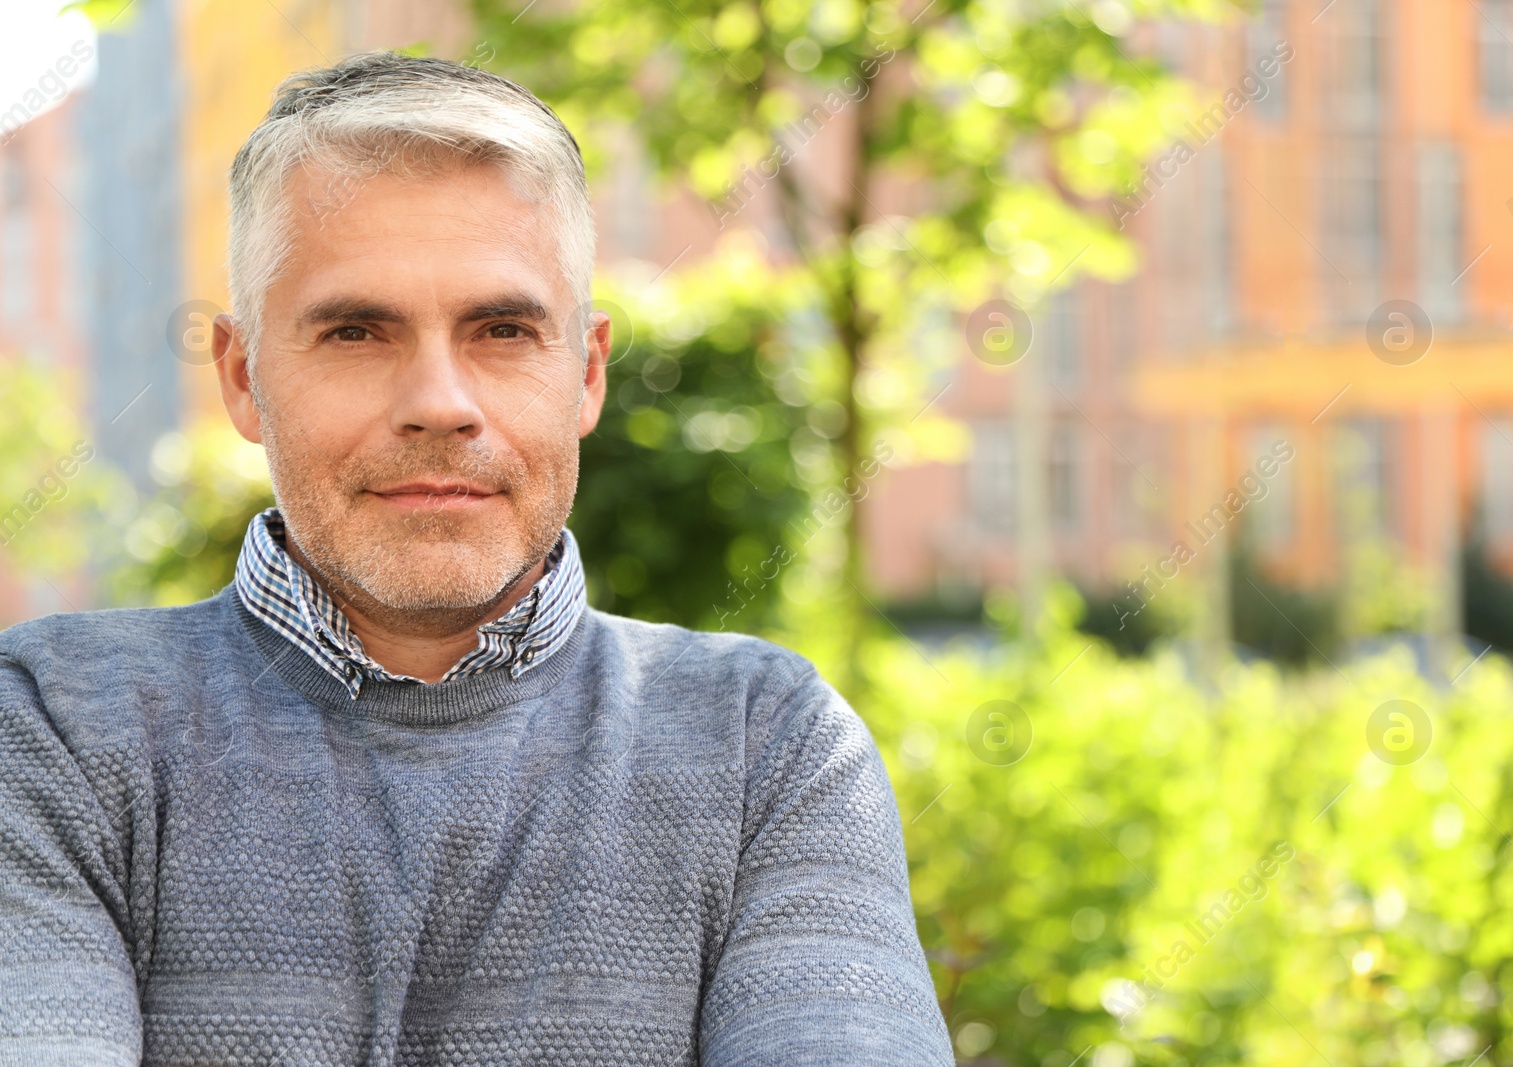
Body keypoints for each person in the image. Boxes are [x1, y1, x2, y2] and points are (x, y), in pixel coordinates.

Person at [0, 51, 954, 1067]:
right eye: (357, 330)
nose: (440, 402)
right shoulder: (52, 729)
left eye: (501, 329)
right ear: (243, 377)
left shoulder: (769, 748)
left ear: (584, 374)